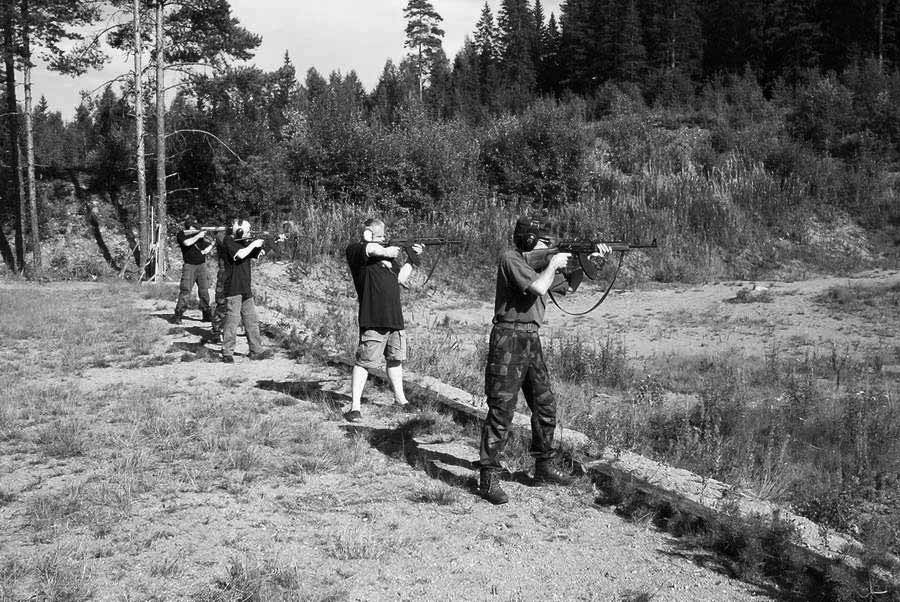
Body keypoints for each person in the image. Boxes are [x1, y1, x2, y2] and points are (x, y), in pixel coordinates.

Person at [477, 215, 611, 505]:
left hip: (530, 338)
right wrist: (553, 263)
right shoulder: (511, 259)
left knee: (545, 404)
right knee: (501, 410)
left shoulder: (539, 263)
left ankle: (543, 467)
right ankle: (488, 478)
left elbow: (568, 286)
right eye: (542, 242)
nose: (547, 246)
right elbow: (538, 287)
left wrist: (588, 261)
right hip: (508, 336)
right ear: (527, 240)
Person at [344, 218, 424, 422]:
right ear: (368, 234)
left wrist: (412, 258)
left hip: (394, 317)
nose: (384, 240)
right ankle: (355, 407)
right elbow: (370, 249)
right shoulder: (356, 252)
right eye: (380, 236)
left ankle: (401, 399)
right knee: (364, 362)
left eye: (384, 237)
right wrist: (386, 251)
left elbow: (401, 278)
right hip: (373, 317)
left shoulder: (387, 258)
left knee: (395, 360)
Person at [220, 219, 274, 363]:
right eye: (248, 230)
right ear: (239, 231)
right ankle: (227, 352)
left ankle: (256, 350)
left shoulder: (244, 243)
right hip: (233, 287)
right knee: (232, 320)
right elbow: (240, 255)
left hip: (245, 287)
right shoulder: (228, 241)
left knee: (251, 320)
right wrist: (254, 244)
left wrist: (269, 243)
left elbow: (256, 255)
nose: (249, 233)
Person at [173, 217, 213, 325]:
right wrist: (198, 236)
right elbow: (186, 243)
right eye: (192, 227)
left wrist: (207, 249)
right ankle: (178, 314)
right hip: (189, 266)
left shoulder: (199, 236)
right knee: (185, 291)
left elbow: (209, 245)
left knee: (204, 291)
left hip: (202, 266)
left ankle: (206, 313)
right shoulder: (182, 234)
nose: (194, 229)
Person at [210, 220, 236, 342]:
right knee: (222, 304)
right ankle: (216, 331)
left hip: (236, 276)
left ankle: (230, 330)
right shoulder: (222, 237)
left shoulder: (233, 237)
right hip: (224, 274)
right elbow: (224, 242)